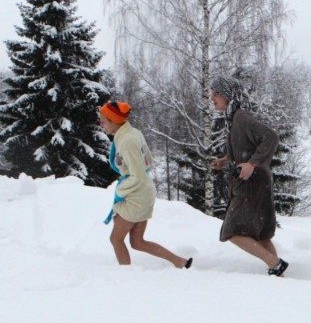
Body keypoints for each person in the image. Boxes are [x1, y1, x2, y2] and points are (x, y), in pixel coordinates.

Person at [209, 75, 288, 276]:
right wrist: (227, 159)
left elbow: (270, 137)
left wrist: (252, 164)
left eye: (216, 93)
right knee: (260, 235)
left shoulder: (241, 118)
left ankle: (276, 264)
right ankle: (281, 277)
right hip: (258, 181)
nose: (212, 98)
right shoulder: (233, 119)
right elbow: (246, 146)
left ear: (228, 95)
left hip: (251, 183)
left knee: (231, 231)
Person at [99, 101, 192, 269]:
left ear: (113, 120)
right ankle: (180, 262)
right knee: (137, 242)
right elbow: (149, 161)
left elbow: (138, 175)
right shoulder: (134, 133)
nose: (101, 125)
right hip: (145, 191)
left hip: (137, 195)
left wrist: (121, 189)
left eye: (103, 121)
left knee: (116, 239)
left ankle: (126, 274)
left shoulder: (127, 141)